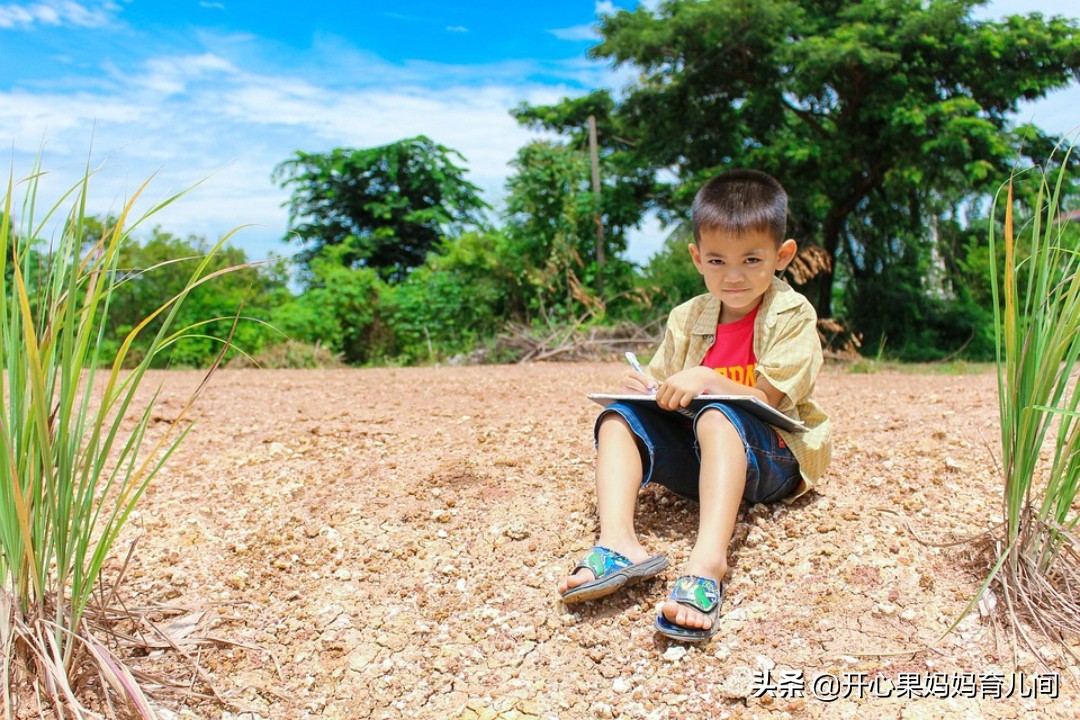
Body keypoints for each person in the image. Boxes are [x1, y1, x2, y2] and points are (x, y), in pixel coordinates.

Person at [557, 169, 831, 642]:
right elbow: (667, 385)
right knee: (619, 418)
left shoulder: (793, 314)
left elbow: (769, 400)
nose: (734, 275)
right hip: (705, 456)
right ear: (697, 258)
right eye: (718, 260)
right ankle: (618, 542)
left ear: (782, 256)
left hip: (772, 459)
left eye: (751, 259)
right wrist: (648, 389)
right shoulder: (687, 317)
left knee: (718, 414)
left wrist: (707, 378)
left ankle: (708, 563)